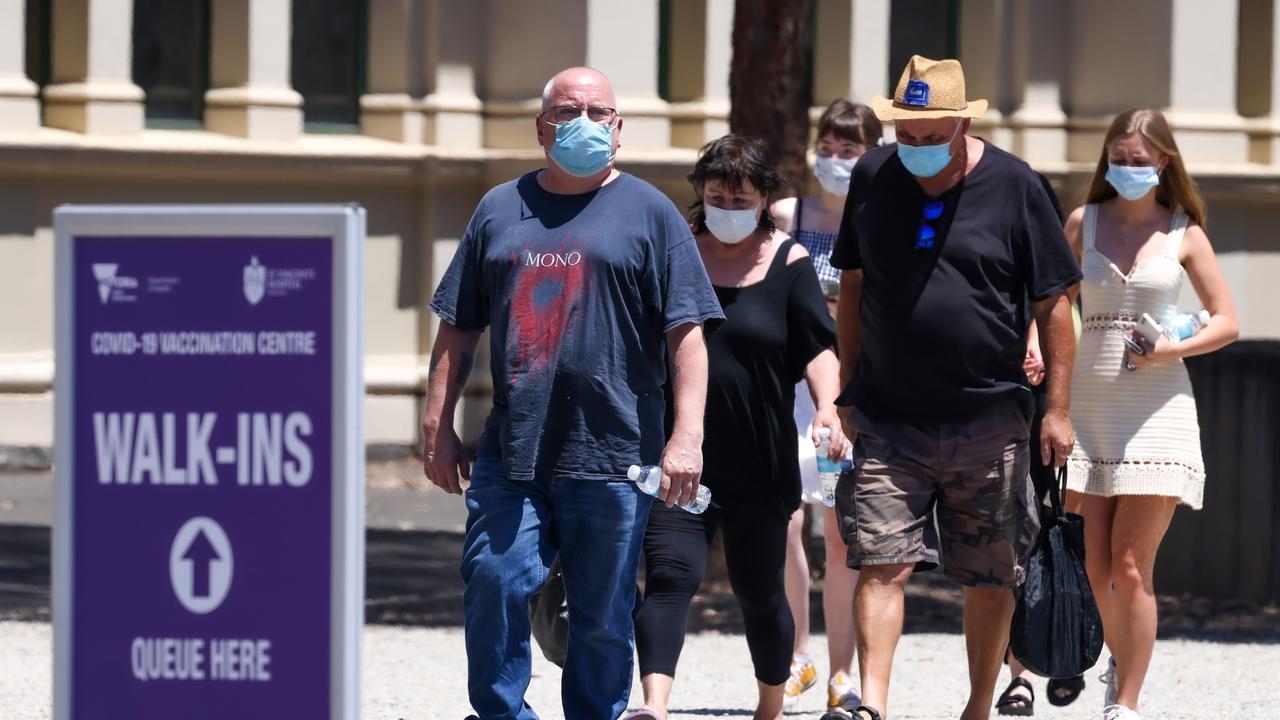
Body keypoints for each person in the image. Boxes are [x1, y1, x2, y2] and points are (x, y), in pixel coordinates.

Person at [421, 66, 724, 720]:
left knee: (601, 613)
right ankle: (502, 713)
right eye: (566, 111)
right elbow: (457, 326)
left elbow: (688, 339)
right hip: (514, 449)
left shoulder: (653, 213)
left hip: (616, 454)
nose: (582, 123)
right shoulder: (499, 208)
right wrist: (435, 426)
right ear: (540, 127)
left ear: (618, 130)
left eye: (597, 112)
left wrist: (687, 438)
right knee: (494, 580)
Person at [829, 56, 1082, 720]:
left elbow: (1056, 302)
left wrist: (1056, 408)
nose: (914, 150)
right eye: (905, 137)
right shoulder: (872, 175)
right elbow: (852, 284)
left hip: (989, 422)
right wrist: (848, 388)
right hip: (889, 418)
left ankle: (976, 706)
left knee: (990, 574)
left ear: (964, 124)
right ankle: (873, 705)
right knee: (882, 562)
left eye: (929, 137)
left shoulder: (1017, 186)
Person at [626, 134, 846, 720]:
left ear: (763, 198)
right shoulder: (679, 253)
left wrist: (828, 406)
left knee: (761, 592)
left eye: (739, 195)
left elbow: (818, 348)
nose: (726, 205)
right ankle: (654, 704)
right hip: (682, 452)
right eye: (716, 193)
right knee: (671, 576)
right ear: (700, 192)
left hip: (759, 457)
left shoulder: (789, 262)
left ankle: (769, 706)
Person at [1063, 108, 1238, 720]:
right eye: (1118, 159)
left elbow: (1227, 321)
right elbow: (1054, 306)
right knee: (1090, 563)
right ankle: (1120, 652)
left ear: (1163, 162)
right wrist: (1035, 350)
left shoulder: (1185, 231)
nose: (1127, 170)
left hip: (1158, 407)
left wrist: (1171, 347)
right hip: (1086, 403)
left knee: (1133, 567)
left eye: (1140, 161)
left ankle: (1126, 700)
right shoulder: (1082, 222)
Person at [770, 98, 883, 714]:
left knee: (841, 536)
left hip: (852, 394)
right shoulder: (790, 213)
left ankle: (843, 673)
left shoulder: (880, 218)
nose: (836, 160)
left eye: (851, 148)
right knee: (786, 524)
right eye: (830, 147)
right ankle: (797, 655)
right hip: (792, 391)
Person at [996, 177, 1087, 716]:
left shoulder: (1056, 270)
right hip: (1004, 420)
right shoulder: (992, 257)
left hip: (1059, 419)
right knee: (1014, 547)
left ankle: (1067, 644)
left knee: (1061, 541)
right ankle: (1020, 673)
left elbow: (1066, 325)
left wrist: (1036, 336)